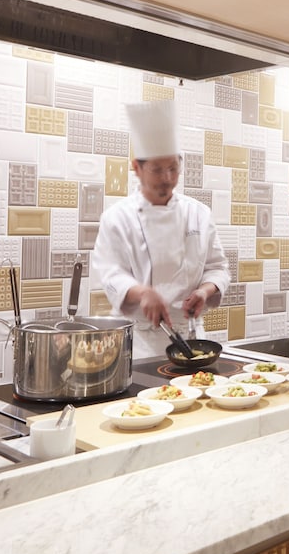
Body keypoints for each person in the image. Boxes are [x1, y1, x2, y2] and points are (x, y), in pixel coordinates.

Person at [91, 99, 230, 359]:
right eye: (157, 170)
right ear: (137, 168)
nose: (167, 179)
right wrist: (143, 293)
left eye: (173, 169)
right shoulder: (117, 218)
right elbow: (110, 274)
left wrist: (204, 291)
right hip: (139, 342)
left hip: (191, 337)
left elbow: (218, 268)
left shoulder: (198, 213)